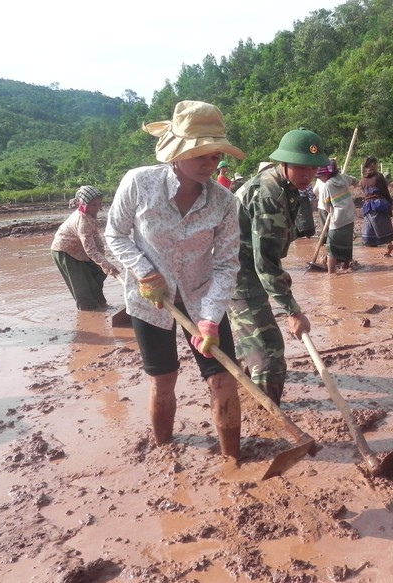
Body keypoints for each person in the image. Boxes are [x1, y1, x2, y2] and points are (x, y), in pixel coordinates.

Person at [104, 100, 245, 456]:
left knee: (223, 381)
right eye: (200, 153)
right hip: (151, 302)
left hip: (201, 300)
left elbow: (227, 264)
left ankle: (233, 459)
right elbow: (115, 234)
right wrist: (145, 271)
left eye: (215, 156)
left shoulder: (225, 203)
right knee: (163, 380)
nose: (209, 163)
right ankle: (165, 448)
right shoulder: (139, 183)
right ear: (176, 153)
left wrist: (211, 318)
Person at [230, 128, 330, 405]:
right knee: (269, 355)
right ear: (283, 163)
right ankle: (268, 421)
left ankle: (244, 400)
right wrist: (292, 311)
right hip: (238, 276)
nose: (307, 174)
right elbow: (266, 262)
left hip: (247, 270)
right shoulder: (268, 195)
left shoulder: (286, 187)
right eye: (300, 166)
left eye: (312, 167)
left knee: (249, 347)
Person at [51, 185, 121, 311]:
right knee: (82, 285)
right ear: (83, 205)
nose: (97, 208)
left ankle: (101, 306)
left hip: (79, 249)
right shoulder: (82, 220)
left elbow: (96, 238)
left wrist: (103, 261)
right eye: (93, 205)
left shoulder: (90, 216)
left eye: (99, 204)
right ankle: (89, 311)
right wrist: (106, 264)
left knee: (97, 275)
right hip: (65, 251)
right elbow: (90, 250)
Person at [316, 159, 359, 273]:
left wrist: (330, 210)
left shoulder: (327, 186)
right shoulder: (344, 178)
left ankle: (331, 274)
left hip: (337, 219)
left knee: (331, 247)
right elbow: (355, 181)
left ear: (327, 174)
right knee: (347, 243)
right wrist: (353, 184)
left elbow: (325, 205)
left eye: (320, 176)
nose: (319, 178)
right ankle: (345, 267)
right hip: (349, 216)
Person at [360, 156, 393, 246]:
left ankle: (371, 257)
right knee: (385, 230)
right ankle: (389, 249)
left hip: (367, 206)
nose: (377, 166)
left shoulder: (362, 179)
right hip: (379, 205)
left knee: (370, 232)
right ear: (373, 164)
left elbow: (364, 193)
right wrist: (390, 203)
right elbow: (385, 190)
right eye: (376, 164)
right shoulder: (379, 176)